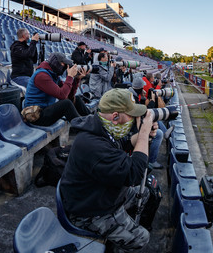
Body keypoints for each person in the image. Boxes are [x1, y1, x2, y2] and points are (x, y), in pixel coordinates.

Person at [60, 89, 156, 251]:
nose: (133, 120)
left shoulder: (101, 126)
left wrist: (142, 136)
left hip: (101, 193)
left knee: (145, 193)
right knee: (142, 238)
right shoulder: (92, 145)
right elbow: (134, 174)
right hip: (90, 211)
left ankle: (123, 226)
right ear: (115, 116)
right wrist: (144, 134)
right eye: (131, 115)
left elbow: (124, 142)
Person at [23, 53, 89, 126]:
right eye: (63, 64)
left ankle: (93, 121)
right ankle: (83, 128)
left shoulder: (53, 75)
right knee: (66, 104)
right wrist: (70, 76)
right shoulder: (41, 75)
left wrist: (76, 79)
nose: (65, 67)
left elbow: (69, 95)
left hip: (45, 110)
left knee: (76, 99)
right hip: (36, 115)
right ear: (56, 63)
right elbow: (62, 95)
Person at [130, 76, 164, 169]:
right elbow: (145, 112)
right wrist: (152, 100)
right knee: (159, 134)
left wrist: (144, 97)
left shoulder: (134, 94)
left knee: (158, 122)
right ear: (140, 88)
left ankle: (167, 133)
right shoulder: (132, 98)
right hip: (133, 127)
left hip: (135, 123)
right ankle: (152, 161)